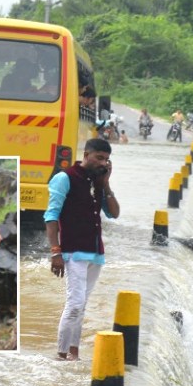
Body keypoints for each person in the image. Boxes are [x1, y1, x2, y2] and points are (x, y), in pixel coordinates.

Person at [44, 138, 120, 361]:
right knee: (75, 303)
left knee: (82, 304)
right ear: (86, 155)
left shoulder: (98, 181)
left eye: (106, 160)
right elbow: (51, 216)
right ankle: (60, 355)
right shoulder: (64, 178)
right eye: (99, 158)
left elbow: (114, 213)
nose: (103, 163)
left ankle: (73, 354)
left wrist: (106, 184)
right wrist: (55, 251)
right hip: (72, 250)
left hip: (95, 252)